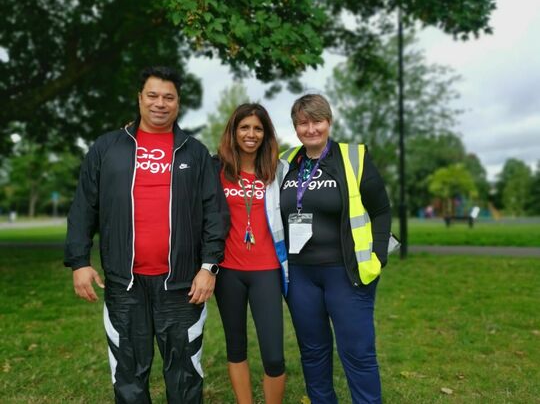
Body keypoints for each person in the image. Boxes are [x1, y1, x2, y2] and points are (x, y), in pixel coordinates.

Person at [64, 66, 227, 403]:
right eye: (152, 95)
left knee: (184, 372)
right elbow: (83, 207)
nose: (160, 103)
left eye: (168, 97)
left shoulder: (194, 152)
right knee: (128, 373)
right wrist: (79, 262)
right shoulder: (107, 148)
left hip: (183, 286)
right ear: (139, 99)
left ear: (178, 103)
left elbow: (215, 214)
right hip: (125, 284)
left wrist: (208, 267)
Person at [279, 94, 391, 404]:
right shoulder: (285, 161)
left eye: (317, 121)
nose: (310, 128)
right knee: (313, 353)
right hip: (300, 276)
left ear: (328, 122)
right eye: (303, 123)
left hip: (346, 272)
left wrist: (378, 256)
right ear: (295, 127)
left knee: (357, 353)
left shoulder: (353, 157)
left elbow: (381, 210)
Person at [215, 103, 288, 404]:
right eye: (244, 127)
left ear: (266, 134)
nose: (251, 134)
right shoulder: (215, 169)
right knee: (236, 347)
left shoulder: (278, 170)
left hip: (267, 272)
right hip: (228, 271)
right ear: (233, 131)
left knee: (273, 356)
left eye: (258, 128)